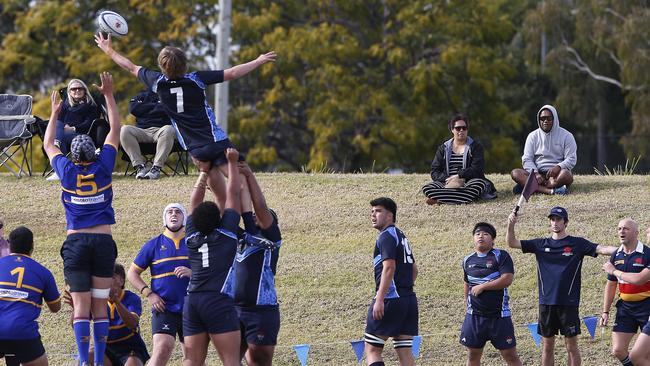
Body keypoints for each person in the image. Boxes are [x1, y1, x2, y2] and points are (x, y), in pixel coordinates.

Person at [94, 32, 275, 209]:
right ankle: (254, 226)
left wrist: (108, 50)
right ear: (185, 64)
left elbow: (130, 66)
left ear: (162, 66)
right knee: (241, 182)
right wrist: (258, 61)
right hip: (215, 140)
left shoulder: (157, 82)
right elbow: (233, 73)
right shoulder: (196, 79)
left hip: (195, 149)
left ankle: (225, 228)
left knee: (219, 193)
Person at [42, 71, 121, 366]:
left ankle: (83, 362)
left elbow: (50, 143)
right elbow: (115, 129)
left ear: (73, 156)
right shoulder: (103, 167)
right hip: (102, 241)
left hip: (76, 243)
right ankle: (98, 361)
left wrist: (54, 113)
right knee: (100, 307)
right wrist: (109, 96)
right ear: (95, 153)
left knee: (80, 308)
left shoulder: (67, 170)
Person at [506, 206, 616, 366]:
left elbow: (602, 249)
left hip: (568, 304)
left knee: (571, 347)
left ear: (566, 222)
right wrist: (511, 225)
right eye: (552, 219)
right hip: (546, 304)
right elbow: (512, 243)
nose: (555, 222)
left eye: (559, 219)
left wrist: (626, 250)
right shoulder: (540, 244)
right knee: (547, 347)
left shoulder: (577, 244)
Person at [182, 148, 242, 366]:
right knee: (231, 361)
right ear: (219, 219)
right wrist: (233, 164)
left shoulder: (191, 237)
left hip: (192, 300)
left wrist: (203, 172)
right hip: (217, 300)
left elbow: (193, 202)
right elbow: (233, 194)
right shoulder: (226, 235)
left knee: (192, 361)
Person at [222, 162, 282, 366]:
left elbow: (261, 207)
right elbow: (227, 209)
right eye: (253, 215)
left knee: (259, 361)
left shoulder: (272, 239)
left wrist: (249, 174)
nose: (257, 215)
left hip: (261, 310)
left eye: (264, 217)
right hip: (233, 308)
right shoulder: (240, 236)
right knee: (230, 361)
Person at [127, 203, 191, 365]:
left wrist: (192, 273)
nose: (174, 214)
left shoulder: (194, 243)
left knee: (193, 358)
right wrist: (149, 294)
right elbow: (132, 273)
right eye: (170, 212)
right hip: (164, 308)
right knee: (162, 349)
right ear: (165, 218)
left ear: (185, 218)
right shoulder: (153, 245)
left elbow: (212, 271)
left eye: (178, 212)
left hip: (192, 308)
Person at [364, 197, 418, 366]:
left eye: (378, 211)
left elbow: (389, 267)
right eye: (372, 211)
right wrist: (404, 289)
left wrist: (380, 299)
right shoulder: (401, 236)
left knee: (372, 349)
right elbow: (414, 269)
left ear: (390, 216)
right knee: (405, 351)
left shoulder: (386, 236)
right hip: (408, 300)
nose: (373, 215)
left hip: (390, 299)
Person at [461, 222, 521, 366]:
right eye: (477, 234)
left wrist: (483, 287)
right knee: (473, 356)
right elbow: (467, 283)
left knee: (510, 356)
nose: (481, 236)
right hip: (474, 317)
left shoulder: (501, 255)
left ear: (493, 239)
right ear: (473, 238)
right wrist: (466, 303)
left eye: (486, 234)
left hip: (499, 317)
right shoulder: (467, 260)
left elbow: (507, 279)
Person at [66, 264, 150, 366]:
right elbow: (75, 325)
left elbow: (132, 323)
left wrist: (117, 302)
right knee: (87, 357)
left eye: (112, 277)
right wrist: (76, 308)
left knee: (133, 364)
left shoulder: (131, 298)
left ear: (122, 281)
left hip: (130, 347)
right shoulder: (96, 299)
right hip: (106, 347)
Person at [0, 226, 62, 366]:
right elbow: (55, 307)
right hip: (22, 333)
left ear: (9, 244)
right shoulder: (43, 272)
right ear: (32, 246)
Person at [600, 219, 650, 366]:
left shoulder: (647, 253)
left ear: (636, 233)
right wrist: (605, 311)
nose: (622, 231)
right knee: (618, 350)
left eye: (626, 229)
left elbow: (639, 279)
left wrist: (615, 271)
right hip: (626, 308)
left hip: (646, 306)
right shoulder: (616, 255)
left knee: (640, 356)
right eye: (619, 228)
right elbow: (611, 284)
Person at [421, 114, 496, 205]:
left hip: (469, 181)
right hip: (447, 182)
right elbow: (434, 171)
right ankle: (461, 197)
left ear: (467, 130)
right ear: (452, 130)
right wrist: (448, 179)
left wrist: (459, 176)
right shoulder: (443, 148)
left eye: (464, 128)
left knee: (478, 185)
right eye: (458, 128)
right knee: (427, 188)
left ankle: (439, 199)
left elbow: (477, 169)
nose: (461, 130)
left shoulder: (476, 147)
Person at [48, 78, 106, 181]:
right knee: (57, 124)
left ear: (85, 91)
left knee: (59, 137)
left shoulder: (90, 105)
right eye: (74, 89)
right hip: (64, 133)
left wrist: (73, 128)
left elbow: (89, 123)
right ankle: (58, 144)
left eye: (80, 88)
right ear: (69, 92)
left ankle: (59, 168)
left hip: (83, 135)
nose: (77, 91)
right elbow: (59, 121)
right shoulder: (65, 105)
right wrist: (63, 128)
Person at [511, 105, 577, 195]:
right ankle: (551, 190)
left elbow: (571, 158)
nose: (545, 121)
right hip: (537, 174)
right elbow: (527, 159)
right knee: (515, 173)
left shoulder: (567, 136)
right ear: (539, 120)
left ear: (555, 119)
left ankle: (528, 186)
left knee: (566, 175)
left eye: (549, 118)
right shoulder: (532, 136)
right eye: (542, 118)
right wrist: (535, 173)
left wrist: (558, 167)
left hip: (556, 175)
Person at [121, 90, 176, 180]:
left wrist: (145, 108)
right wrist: (157, 107)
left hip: (161, 131)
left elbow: (168, 109)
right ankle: (140, 167)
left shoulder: (167, 94)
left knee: (169, 129)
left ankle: (156, 168)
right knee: (124, 129)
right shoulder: (140, 95)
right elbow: (133, 109)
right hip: (141, 131)